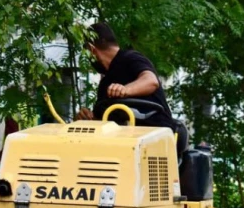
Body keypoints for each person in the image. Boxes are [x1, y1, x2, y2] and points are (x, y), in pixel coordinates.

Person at [76, 22, 188, 157]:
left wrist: (125, 90)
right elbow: (104, 127)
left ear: (92, 49)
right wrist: (87, 120)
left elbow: (151, 81)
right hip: (124, 149)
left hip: (156, 144)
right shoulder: (105, 84)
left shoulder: (130, 58)